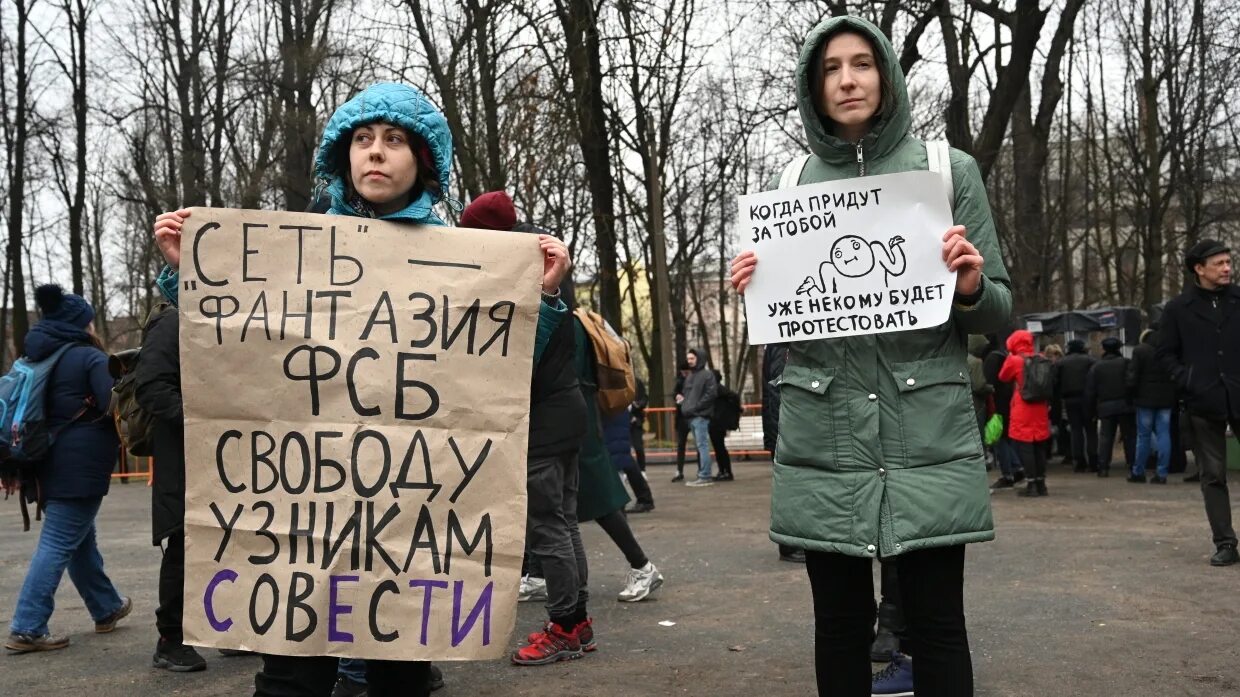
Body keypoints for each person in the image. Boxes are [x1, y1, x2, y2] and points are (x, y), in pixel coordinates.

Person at [151, 84, 573, 693]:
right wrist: (189, 276)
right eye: (363, 139)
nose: (376, 153)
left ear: (422, 159)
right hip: (303, 516)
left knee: (400, 683)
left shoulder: (466, 264)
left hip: (408, 518)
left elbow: (500, 376)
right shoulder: (288, 254)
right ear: (343, 156)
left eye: (394, 140)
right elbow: (235, 352)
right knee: (290, 680)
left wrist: (545, 298)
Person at [729, 16, 1012, 696]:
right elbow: (787, 320)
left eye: (861, 63)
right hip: (825, 434)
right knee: (839, 624)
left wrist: (969, 284)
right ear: (813, 84)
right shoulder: (789, 181)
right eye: (831, 68)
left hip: (929, 428)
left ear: (885, 73)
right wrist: (755, 284)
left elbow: (999, 312)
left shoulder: (949, 170)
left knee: (939, 623)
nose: (848, 79)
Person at [6, 285, 131, 653]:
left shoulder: (37, 357)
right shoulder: (87, 358)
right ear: (80, 324)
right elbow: (114, 404)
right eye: (90, 321)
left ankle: (106, 607)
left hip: (47, 460)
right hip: (81, 464)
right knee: (61, 541)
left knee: (79, 539)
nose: (93, 327)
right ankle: (27, 626)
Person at [131, 298, 209, 672]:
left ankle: (227, 626)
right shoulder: (172, 322)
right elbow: (151, 387)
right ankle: (171, 638)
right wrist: (205, 421)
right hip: (187, 457)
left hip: (229, 456)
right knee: (186, 544)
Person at [1157, 239, 1240, 567]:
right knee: (1213, 475)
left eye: (1228, 262)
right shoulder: (1179, 309)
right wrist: (1188, 380)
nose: (1227, 268)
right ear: (1199, 269)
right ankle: (1226, 543)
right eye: (1219, 263)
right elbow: (1164, 354)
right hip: (1203, 401)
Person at [761, 343, 805, 564]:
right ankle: (790, 545)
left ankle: (793, 543)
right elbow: (779, 388)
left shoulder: (778, 343)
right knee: (793, 488)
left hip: (783, 428)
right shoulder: (782, 344)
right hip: (786, 430)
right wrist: (786, 431)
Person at [1000, 331, 1052, 496]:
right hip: (1040, 407)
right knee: (1039, 447)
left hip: (1023, 407)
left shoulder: (1014, 361)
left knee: (1026, 447)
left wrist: (1010, 356)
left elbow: (1003, 377)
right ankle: (1041, 484)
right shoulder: (1042, 359)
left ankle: (1031, 486)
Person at [1128, 328, 1176, 484]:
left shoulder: (1140, 350)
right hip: (1166, 398)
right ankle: (1162, 473)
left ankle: (1138, 471)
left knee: (1143, 436)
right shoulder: (1169, 350)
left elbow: (1133, 375)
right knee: (1164, 434)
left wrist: (1132, 394)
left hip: (1145, 398)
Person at [1085, 337, 1135, 478]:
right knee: (1129, 436)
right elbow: (1132, 383)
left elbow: (1090, 391)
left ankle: (1103, 467)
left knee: (1106, 437)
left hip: (1105, 406)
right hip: (1126, 405)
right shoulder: (1126, 363)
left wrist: (1090, 411)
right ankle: (1132, 465)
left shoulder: (1096, 367)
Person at [983, 335, 1025, 489]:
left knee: (998, 439)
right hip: (1008, 402)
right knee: (1005, 438)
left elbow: (987, 383)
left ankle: (1008, 473)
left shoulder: (991, 359)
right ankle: (1017, 468)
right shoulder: (1004, 356)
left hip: (996, 405)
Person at [1056, 339, 1099, 472]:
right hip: (1088, 399)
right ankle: (1093, 460)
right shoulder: (1091, 361)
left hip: (1069, 400)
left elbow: (1055, 382)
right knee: (1091, 430)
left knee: (1075, 430)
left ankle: (1079, 461)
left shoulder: (1061, 363)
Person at [679, 349, 717, 486]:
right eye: (688, 358)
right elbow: (687, 395)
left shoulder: (707, 375)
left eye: (692, 358)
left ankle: (705, 475)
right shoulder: (690, 376)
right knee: (701, 446)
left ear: (699, 359)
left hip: (700, 416)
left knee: (702, 446)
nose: (689, 361)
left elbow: (711, 394)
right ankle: (703, 473)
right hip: (691, 416)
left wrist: (695, 407)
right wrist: (683, 402)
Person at [709, 369, 740, 481]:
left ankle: (726, 471)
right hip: (717, 422)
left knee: (720, 448)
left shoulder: (718, 389)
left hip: (718, 423)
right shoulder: (717, 389)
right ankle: (723, 471)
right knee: (719, 448)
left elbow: (734, 396)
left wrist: (734, 411)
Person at [671, 361, 691, 482]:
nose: (684, 374)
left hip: (691, 415)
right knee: (680, 444)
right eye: (683, 372)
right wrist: (677, 396)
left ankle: (701, 470)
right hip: (681, 416)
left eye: (686, 372)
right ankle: (679, 470)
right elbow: (674, 393)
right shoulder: (679, 381)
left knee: (699, 444)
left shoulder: (694, 380)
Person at [630, 377, 649, 473]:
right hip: (623, 420)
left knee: (638, 447)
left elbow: (644, 398)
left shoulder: (637, 382)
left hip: (636, 420)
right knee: (624, 448)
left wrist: (639, 405)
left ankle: (642, 470)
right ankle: (625, 471)